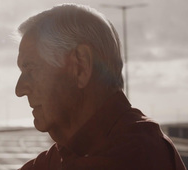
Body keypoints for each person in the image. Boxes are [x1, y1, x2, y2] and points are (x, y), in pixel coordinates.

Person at [15, 3, 186, 170]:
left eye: (31, 68)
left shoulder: (130, 156)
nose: (19, 89)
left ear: (80, 66)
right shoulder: (75, 149)